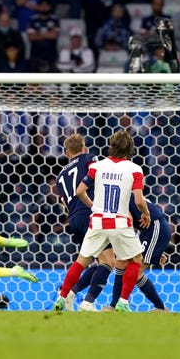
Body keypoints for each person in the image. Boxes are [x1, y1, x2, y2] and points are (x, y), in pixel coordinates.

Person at [53, 129, 150, 312]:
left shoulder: (74, 173)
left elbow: (77, 192)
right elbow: (138, 200)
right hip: (117, 221)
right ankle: (119, 302)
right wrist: (146, 213)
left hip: (88, 219)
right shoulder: (131, 168)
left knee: (82, 261)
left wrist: (94, 206)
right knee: (132, 260)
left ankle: (63, 296)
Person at [54, 133, 114, 312]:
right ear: (84, 148)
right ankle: (87, 302)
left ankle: (69, 294)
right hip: (90, 214)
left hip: (73, 219)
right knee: (108, 261)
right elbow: (100, 174)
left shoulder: (60, 176)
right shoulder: (89, 158)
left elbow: (64, 202)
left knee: (90, 260)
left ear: (67, 153)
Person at [26, 0, 60, 72]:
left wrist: (38, 33)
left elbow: (54, 35)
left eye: (46, 6)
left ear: (50, 7)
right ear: (38, 7)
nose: (44, 8)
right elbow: (31, 37)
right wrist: (48, 34)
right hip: (36, 54)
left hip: (51, 54)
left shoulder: (55, 20)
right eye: (42, 6)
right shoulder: (33, 20)